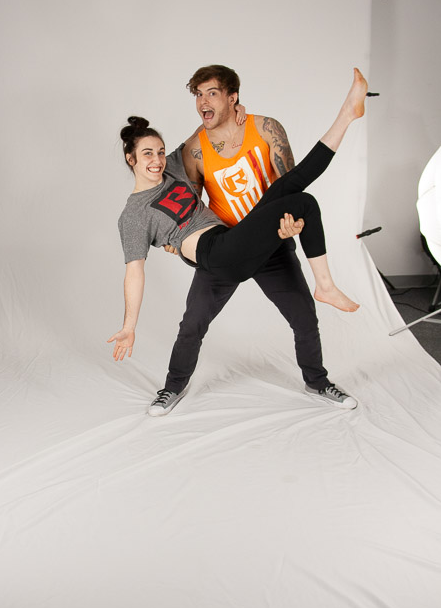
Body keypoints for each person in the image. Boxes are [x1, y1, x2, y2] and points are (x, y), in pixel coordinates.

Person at [109, 68, 366, 412]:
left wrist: (234, 112)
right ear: (131, 159)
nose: (155, 160)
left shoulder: (171, 166)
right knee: (192, 326)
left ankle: (317, 382)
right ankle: (172, 389)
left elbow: (206, 127)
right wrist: (129, 326)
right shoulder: (133, 215)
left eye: (159, 151)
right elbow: (134, 272)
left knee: (304, 315)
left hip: (239, 241)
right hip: (216, 256)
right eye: (146, 154)